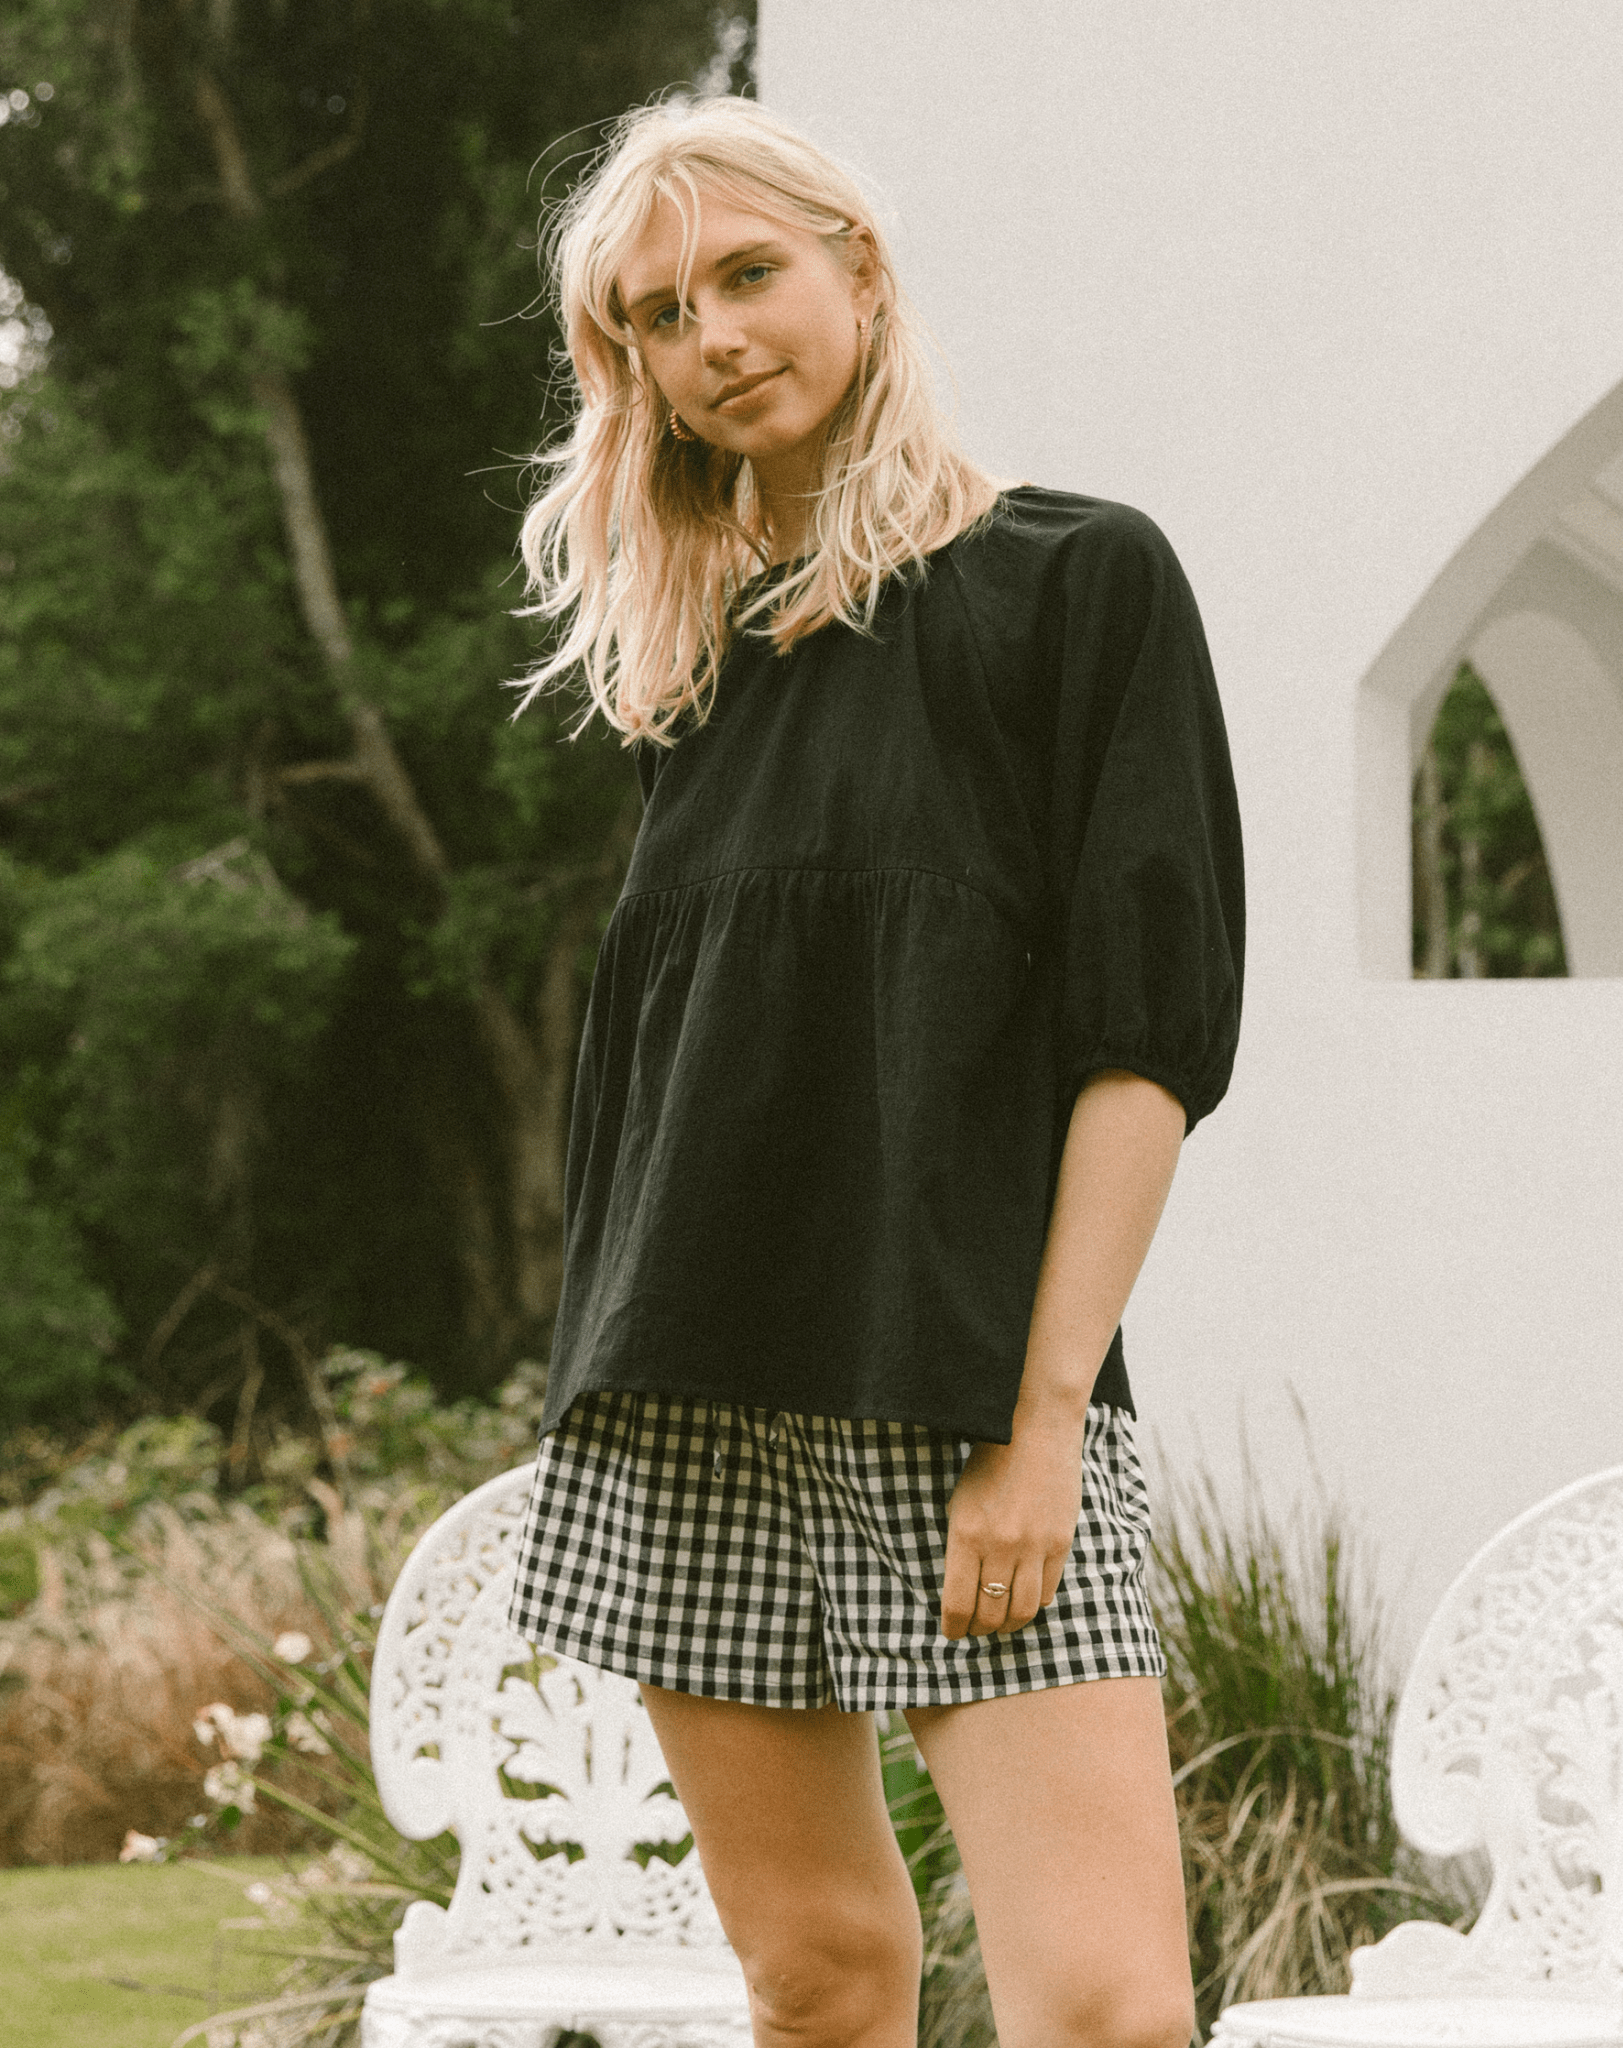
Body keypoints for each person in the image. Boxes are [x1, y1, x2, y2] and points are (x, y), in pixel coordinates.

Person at [505, 94, 1244, 2048]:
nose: (713, 336)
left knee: (1106, 2010)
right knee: (817, 1978)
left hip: (969, 1390)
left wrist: (1041, 1423)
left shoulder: (1077, 582)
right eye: (659, 314)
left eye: (747, 273)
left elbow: (1147, 1045)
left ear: (859, 267)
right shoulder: (690, 667)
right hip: (685, 1389)